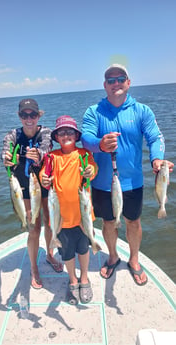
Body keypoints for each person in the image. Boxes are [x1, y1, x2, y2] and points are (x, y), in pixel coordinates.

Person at [81, 64, 174, 285]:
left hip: (133, 182)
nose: (116, 83)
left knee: (133, 222)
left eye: (120, 78)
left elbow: (155, 137)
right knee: (108, 222)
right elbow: (85, 139)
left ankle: (134, 258)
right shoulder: (93, 112)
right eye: (110, 80)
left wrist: (156, 158)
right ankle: (113, 256)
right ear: (105, 85)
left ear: (128, 82)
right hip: (103, 183)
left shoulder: (142, 111)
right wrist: (100, 144)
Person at [1, 98, 63, 289]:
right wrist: (6, 158)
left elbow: (46, 147)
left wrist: (39, 154)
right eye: (24, 115)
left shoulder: (45, 132)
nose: (29, 119)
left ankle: (50, 255)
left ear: (38, 116)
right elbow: (5, 151)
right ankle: (34, 267)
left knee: (49, 222)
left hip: (44, 183)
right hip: (24, 189)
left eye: (33, 115)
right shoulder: (12, 135)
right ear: (20, 117)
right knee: (33, 226)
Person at [39, 115, 98, 304]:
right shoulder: (51, 157)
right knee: (67, 253)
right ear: (56, 137)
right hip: (61, 220)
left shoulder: (83, 154)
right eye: (62, 133)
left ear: (76, 135)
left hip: (83, 218)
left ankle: (85, 278)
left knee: (83, 249)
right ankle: (72, 279)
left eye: (69, 132)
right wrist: (44, 180)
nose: (66, 136)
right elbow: (44, 174)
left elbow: (92, 168)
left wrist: (90, 170)